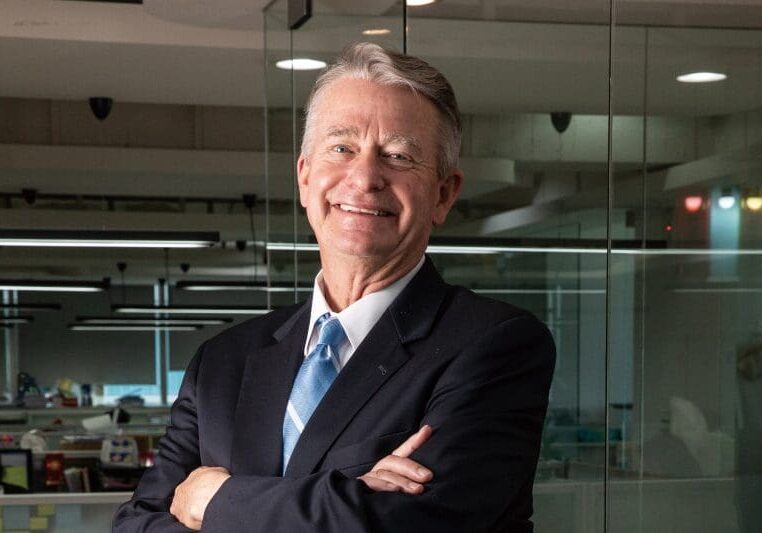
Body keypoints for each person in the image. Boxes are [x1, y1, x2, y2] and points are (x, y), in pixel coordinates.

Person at [113, 42, 556, 533]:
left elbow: (417, 525)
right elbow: (137, 526)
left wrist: (215, 501)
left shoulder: (494, 345)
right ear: (305, 178)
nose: (365, 177)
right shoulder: (222, 363)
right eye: (342, 148)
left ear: (444, 194)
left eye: (398, 155)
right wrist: (347, 499)